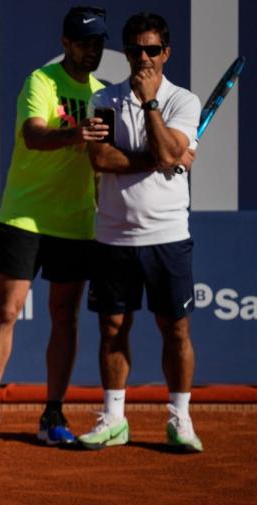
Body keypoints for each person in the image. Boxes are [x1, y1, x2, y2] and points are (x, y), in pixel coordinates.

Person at [0, 6, 111, 447]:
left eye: (98, 42)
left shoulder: (105, 94)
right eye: (83, 42)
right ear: (65, 44)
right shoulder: (41, 82)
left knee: (65, 316)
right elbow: (34, 135)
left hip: (76, 220)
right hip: (25, 215)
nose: (91, 50)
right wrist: (77, 133)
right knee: (6, 312)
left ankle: (53, 414)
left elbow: (106, 165)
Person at [80, 12, 202, 452]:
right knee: (113, 329)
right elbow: (102, 162)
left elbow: (169, 148)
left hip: (168, 234)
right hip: (114, 236)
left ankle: (180, 419)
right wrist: (163, 158)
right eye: (135, 50)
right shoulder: (104, 101)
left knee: (176, 331)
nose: (143, 58)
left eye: (152, 50)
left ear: (165, 53)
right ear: (126, 53)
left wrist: (151, 104)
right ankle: (114, 419)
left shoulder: (183, 102)